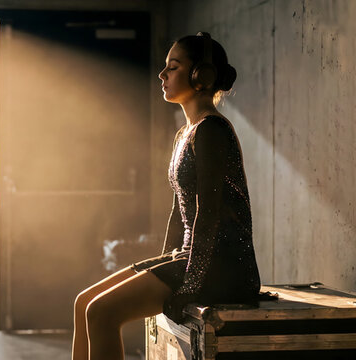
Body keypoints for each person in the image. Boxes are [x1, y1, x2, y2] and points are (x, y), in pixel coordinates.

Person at [71, 32, 261, 360]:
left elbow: (208, 213)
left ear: (201, 77)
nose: (163, 75)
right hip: (190, 258)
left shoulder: (212, 131)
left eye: (173, 67)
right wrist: (159, 267)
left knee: (101, 314)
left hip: (223, 267)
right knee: (84, 303)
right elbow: (179, 212)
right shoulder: (185, 133)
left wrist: (188, 285)